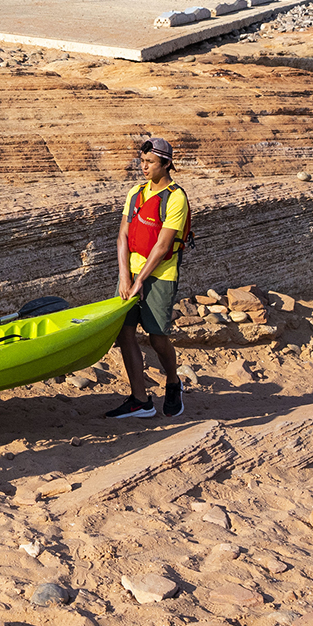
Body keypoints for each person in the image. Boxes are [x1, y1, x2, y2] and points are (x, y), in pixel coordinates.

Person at [105, 137, 190, 421]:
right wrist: (123, 276)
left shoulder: (176, 198)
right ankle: (140, 400)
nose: (144, 167)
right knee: (124, 333)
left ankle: (173, 381)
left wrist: (139, 281)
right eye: (142, 162)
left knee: (157, 337)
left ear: (166, 164)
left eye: (150, 162)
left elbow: (163, 246)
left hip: (160, 276)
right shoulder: (136, 193)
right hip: (130, 274)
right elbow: (123, 236)